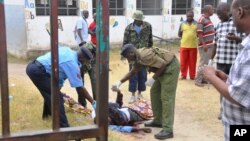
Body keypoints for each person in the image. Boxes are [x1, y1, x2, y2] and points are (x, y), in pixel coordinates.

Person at [202, 0, 250, 140]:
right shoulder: (219, 27)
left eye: (232, 14)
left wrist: (211, 77)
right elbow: (244, 88)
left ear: (240, 12)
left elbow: (237, 96)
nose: (232, 18)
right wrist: (227, 78)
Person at [112, 44, 180, 140]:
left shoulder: (144, 55)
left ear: (131, 53)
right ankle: (158, 121)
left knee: (166, 98)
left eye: (127, 57)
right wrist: (119, 82)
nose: (127, 60)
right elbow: (133, 72)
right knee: (155, 93)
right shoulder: (136, 57)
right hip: (162, 70)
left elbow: (163, 64)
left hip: (170, 68)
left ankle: (168, 130)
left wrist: (153, 78)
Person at [26, 45, 96, 128]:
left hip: (35, 66)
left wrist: (58, 86)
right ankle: (64, 127)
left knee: (51, 93)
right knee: (57, 97)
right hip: (38, 71)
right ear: (83, 58)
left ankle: (47, 117)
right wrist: (93, 102)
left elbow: (58, 69)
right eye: (87, 61)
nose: (86, 63)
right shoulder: (72, 63)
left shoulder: (68, 50)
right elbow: (79, 88)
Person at [212, 2, 245, 120]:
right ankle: (223, 110)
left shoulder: (237, 23)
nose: (219, 17)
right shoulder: (219, 25)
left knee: (233, 87)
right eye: (218, 15)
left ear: (227, 11)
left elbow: (245, 40)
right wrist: (212, 58)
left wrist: (235, 38)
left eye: (220, 14)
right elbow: (215, 44)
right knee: (222, 86)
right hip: (221, 61)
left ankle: (236, 110)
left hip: (233, 61)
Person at [123, 10, 153, 103]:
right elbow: (125, 43)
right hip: (132, 56)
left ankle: (140, 93)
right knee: (133, 75)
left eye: (140, 20)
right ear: (134, 20)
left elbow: (150, 40)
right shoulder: (128, 28)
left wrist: (150, 52)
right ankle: (132, 95)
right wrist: (124, 55)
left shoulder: (148, 26)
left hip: (144, 55)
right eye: (137, 20)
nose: (139, 22)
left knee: (143, 75)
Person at [195, 5, 215, 87]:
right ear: (207, 10)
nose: (213, 11)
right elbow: (199, 33)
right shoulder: (201, 19)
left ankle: (203, 79)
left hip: (209, 44)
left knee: (206, 63)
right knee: (203, 63)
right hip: (205, 46)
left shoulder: (208, 19)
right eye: (212, 9)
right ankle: (198, 80)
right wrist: (204, 44)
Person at [178, 10, 198, 80]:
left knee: (192, 62)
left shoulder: (196, 24)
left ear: (193, 16)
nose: (189, 17)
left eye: (191, 16)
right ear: (186, 16)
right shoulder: (182, 24)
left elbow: (198, 34)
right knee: (183, 62)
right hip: (183, 46)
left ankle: (192, 76)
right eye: (188, 16)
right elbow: (179, 34)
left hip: (193, 46)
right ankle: (183, 75)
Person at [78, 42, 97, 107]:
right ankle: (82, 103)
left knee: (95, 82)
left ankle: (97, 102)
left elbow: (99, 54)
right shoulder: (79, 57)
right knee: (80, 83)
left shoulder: (90, 46)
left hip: (92, 64)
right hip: (82, 65)